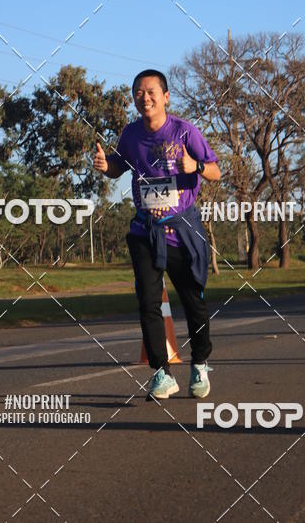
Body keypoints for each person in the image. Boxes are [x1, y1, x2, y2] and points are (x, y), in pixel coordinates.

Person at [93, 69, 221, 400]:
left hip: (183, 229)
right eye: (138, 92)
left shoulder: (184, 131)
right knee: (148, 302)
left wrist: (196, 167)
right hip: (145, 230)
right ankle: (162, 373)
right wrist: (106, 167)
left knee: (194, 300)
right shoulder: (131, 134)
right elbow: (118, 167)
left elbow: (216, 172)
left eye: (151, 91)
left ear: (165, 97)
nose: (144, 97)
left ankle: (200, 363)